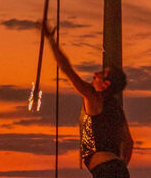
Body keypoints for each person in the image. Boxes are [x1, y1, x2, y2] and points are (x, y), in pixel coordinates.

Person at [41, 21, 133, 177]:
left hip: (107, 171)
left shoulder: (95, 98)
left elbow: (67, 69)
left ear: (105, 84)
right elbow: (129, 143)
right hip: (116, 170)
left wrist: (51, 40)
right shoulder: (116, 108)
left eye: (100, 74)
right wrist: (119, 167)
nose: (95, 74)